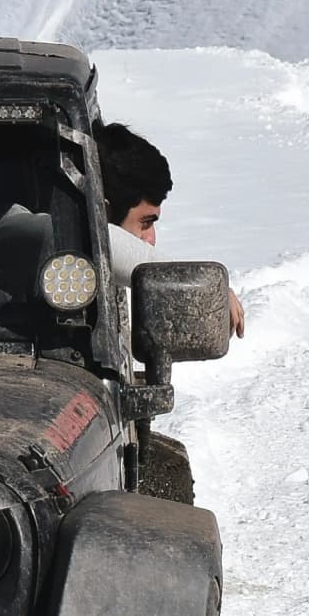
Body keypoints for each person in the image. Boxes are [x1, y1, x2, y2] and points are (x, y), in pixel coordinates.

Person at [95, 121, 231, 501]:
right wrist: (209, 288)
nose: (149, 239)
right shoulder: (38, 229)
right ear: (99, 210)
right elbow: (102, 241)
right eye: (145, 222)